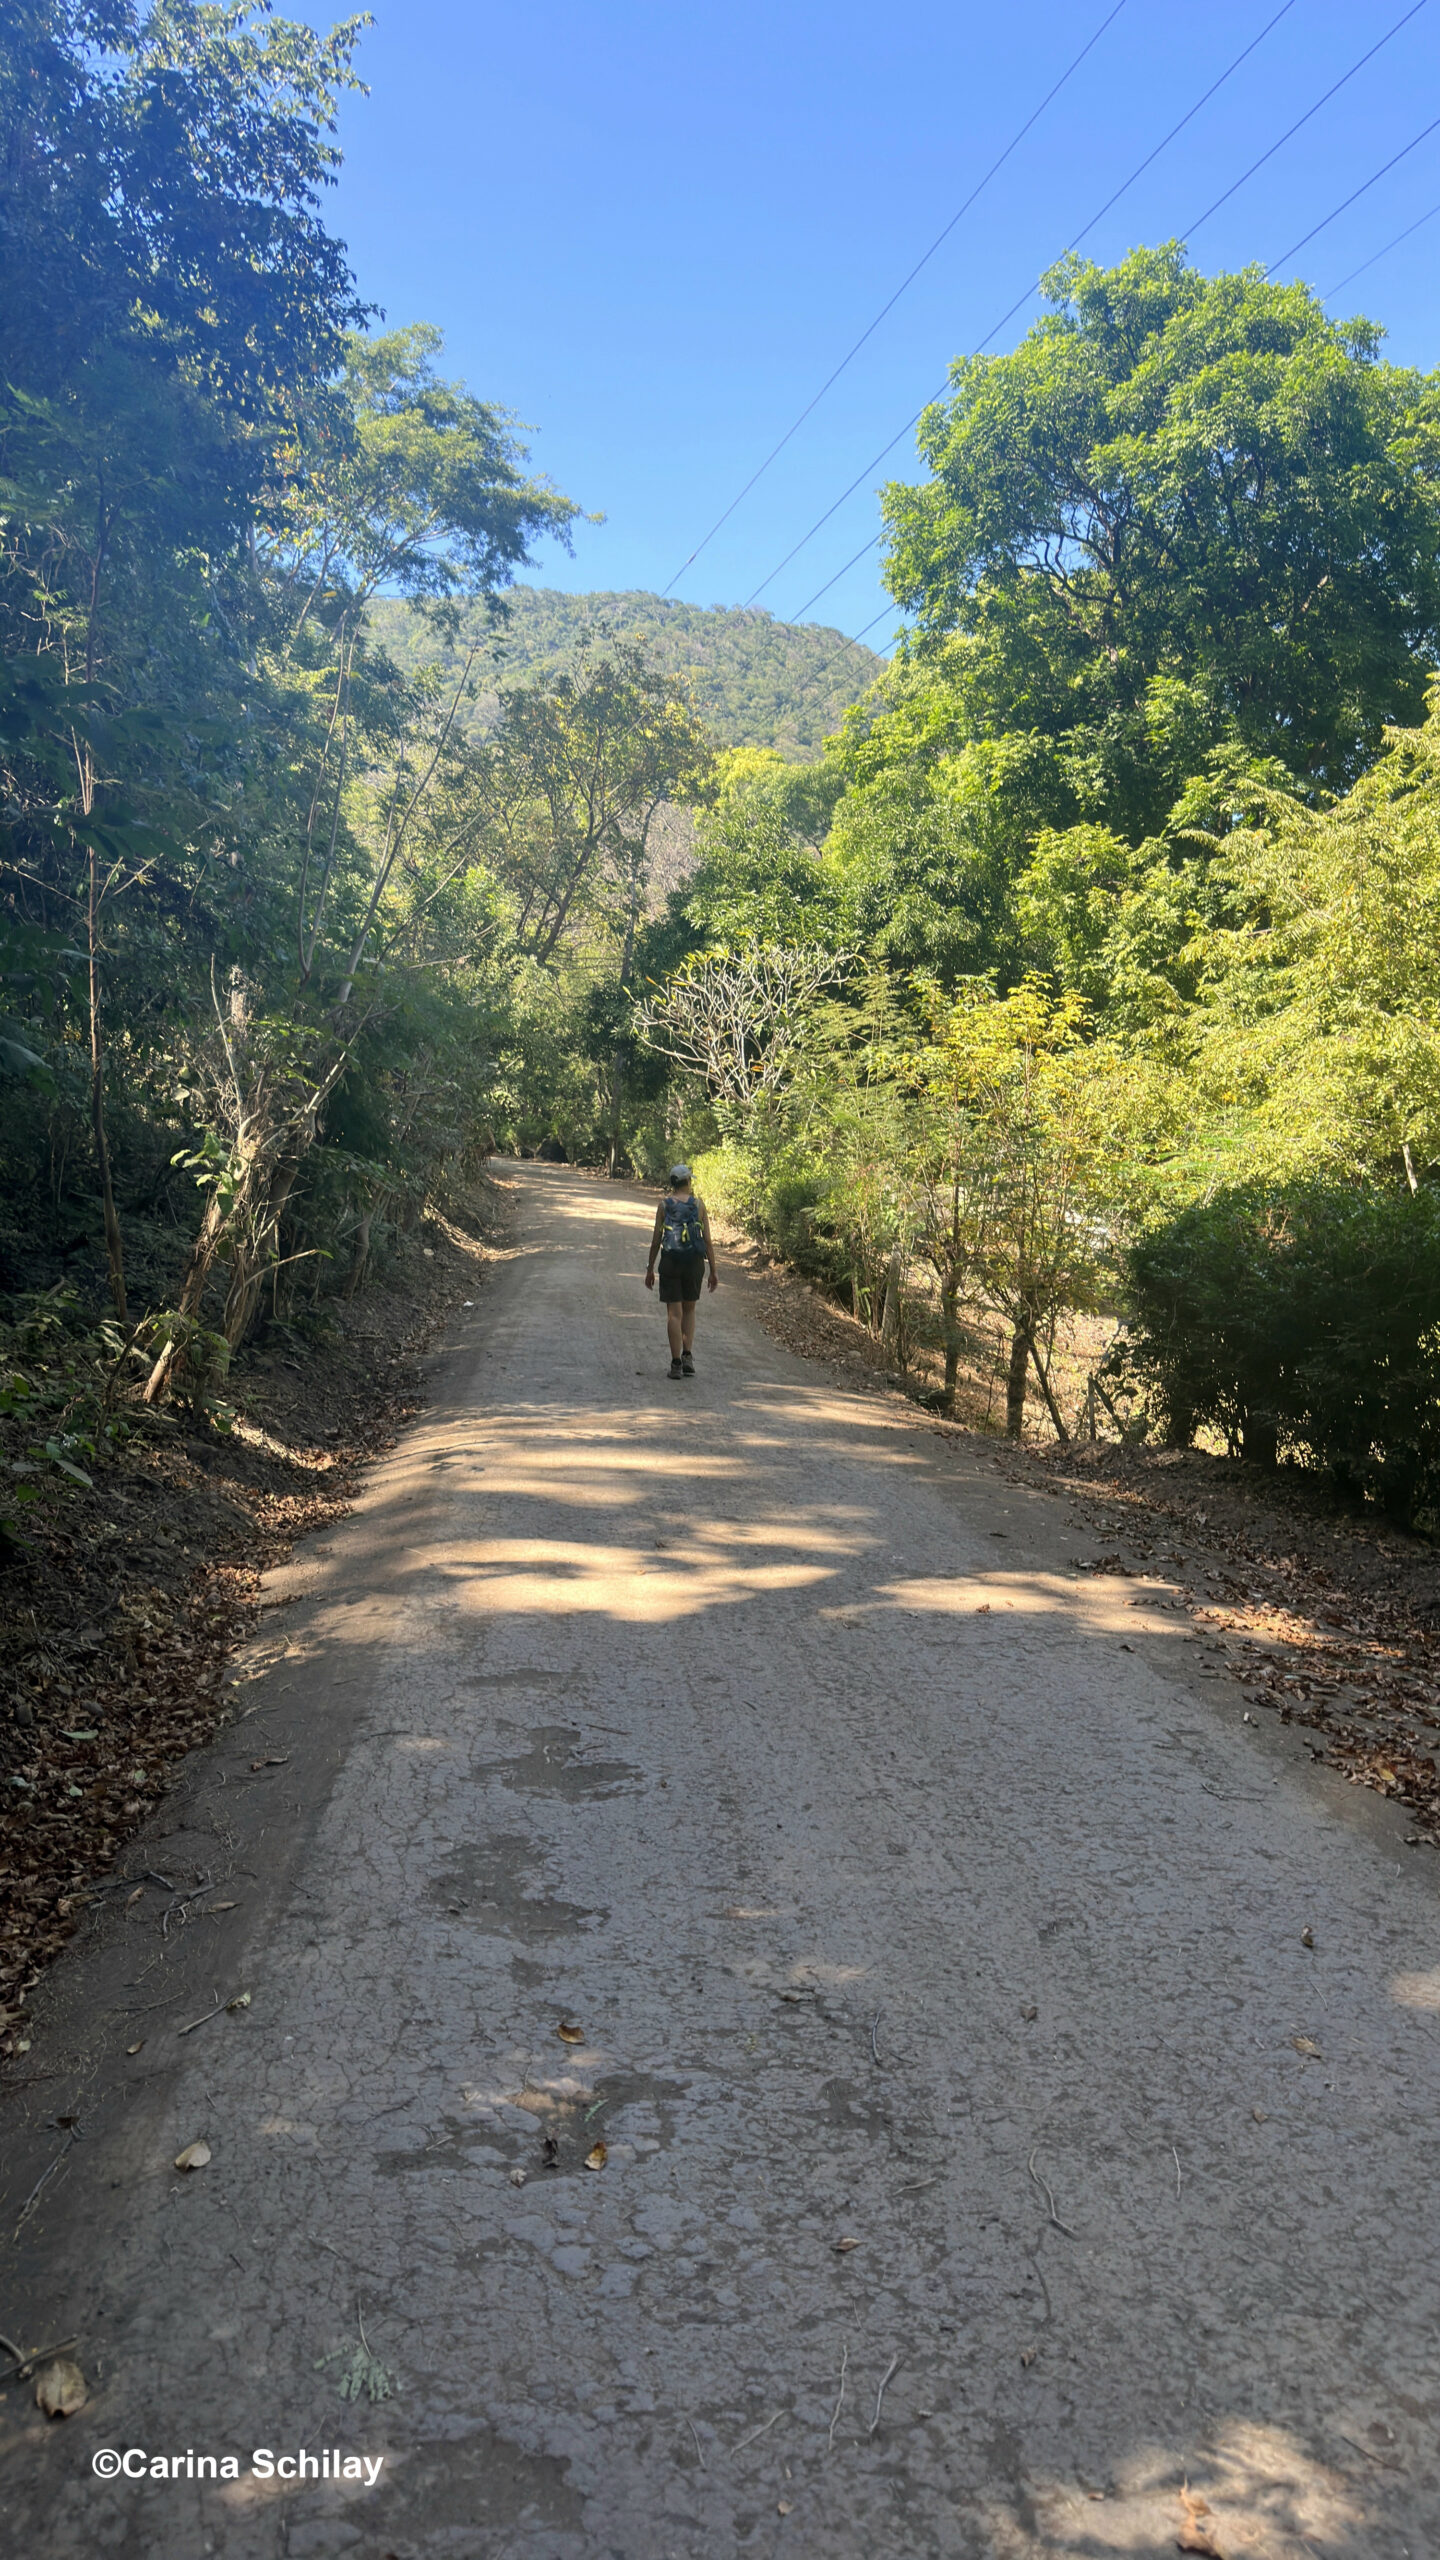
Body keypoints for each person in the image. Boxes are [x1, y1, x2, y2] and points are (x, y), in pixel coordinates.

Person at [645, 1164, 717, 1378]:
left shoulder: (664, 1205)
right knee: (689, 1310)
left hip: (671, 1262)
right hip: (694, 1262)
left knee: (673, 1314)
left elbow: (656, 1240)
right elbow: (708, 1241)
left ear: (673, 1183)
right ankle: (687, 1356)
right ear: (688, 1182)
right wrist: (713, 1270)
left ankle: (675, 1364)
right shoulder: (699, 1205)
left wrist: (650, 1269)